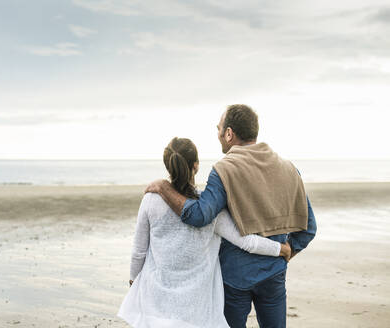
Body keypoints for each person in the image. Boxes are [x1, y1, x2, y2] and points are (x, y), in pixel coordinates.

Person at [145, 105, 317, 328]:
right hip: (274, 272)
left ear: (229, 133)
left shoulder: (224, 170)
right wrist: (286, 253)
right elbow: (309, 228)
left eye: (219, 128)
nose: (217, 133)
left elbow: (199, 216)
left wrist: (163, 187)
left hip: (235, 277)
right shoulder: (288, 168)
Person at [118, 137, 292, 328]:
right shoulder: (210, 209)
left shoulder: (151, 200)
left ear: (168, 166)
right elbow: (247, 242)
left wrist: (133, 281)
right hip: (196, 308)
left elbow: (139, 251)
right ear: (196, 166)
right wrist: (281, 249)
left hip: (155, 299)